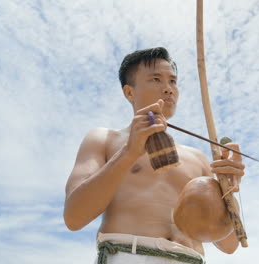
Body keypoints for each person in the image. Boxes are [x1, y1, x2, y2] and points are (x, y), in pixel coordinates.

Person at [64, 47, 246, 263]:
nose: (168, 88)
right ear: (129, 92)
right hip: (128, 255)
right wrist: (129, 153)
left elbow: (229, 245)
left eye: (173, 81)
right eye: (156, 79)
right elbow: (74, 217)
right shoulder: (103, 139)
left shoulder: (198, 158)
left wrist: (228, 189)